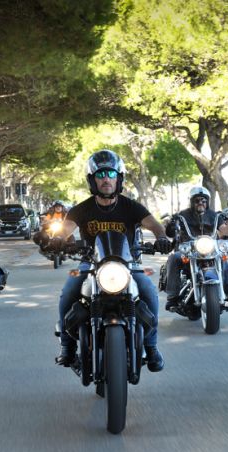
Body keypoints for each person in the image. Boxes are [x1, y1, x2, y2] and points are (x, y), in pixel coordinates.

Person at [42, 149, 171, 372]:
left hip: (128, 265)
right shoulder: (81, 209)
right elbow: (65, 229)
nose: (106, 179)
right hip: (90, 264)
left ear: (119, 178)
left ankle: (151, 347)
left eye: (111, 174)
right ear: (92, 180)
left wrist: (161, 238)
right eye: (100, 174)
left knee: (149, 291)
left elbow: (154, 225)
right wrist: (57, 240)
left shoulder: (131, 207)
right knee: (68, 291)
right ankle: (67, 347)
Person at [164, 186, 228, 309]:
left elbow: (225, 231)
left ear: (207, 202)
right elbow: (170, 232)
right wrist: (171, 224)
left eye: (203, 200)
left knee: (224, 257)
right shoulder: (182, 215)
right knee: (174, 258)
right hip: (189, 249)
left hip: (210, 249)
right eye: (197, 200)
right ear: (192, 202)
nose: (200, 203)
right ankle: (172, 296)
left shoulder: (214, 215)